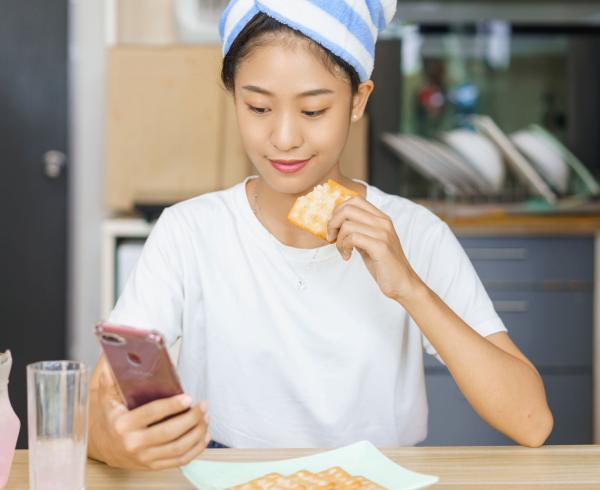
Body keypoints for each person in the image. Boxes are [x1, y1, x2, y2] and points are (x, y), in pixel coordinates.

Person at [87, 0, 553, 470]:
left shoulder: (415, 232)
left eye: (312, 110)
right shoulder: (189, 232)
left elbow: (531, 421)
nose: (284, 136)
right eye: (259, 107)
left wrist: (408, 287)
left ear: (358, 100)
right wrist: (113, 442)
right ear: (233, 98)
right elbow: (105, 400)